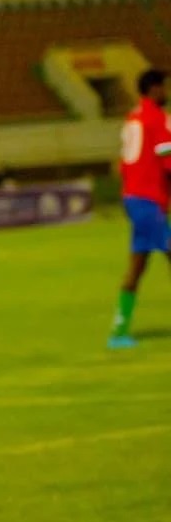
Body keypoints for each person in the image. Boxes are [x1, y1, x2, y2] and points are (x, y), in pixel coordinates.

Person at [109, 68, 171, 349]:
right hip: (147, 199)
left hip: (135, 197)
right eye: (164, 87)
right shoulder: (157, 119)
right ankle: (118, 332)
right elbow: (166, 159)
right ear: (154, 89)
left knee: (138, 264)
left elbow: (124, 164)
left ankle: (119, 331)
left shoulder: (133, 117)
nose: (167, 92)